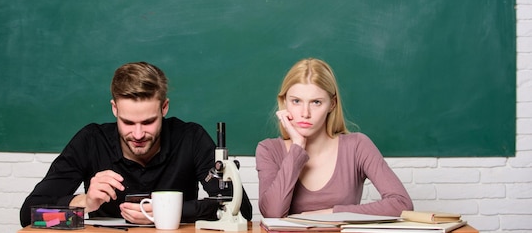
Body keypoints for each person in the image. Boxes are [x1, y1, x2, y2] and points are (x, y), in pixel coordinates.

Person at [20, 61, 252, 227]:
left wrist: (170, 212)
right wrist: (85, 203)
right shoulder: (91, 141)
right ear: (114, 109)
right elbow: (31, 216)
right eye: (128, 122)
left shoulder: (190, 138)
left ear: (164, 108)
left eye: (149, 121)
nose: (138, 134)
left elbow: (241, 210)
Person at [255, 58, 413, 218]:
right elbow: (272, 214)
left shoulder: (357, 146)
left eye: (316, 102)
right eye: (296, 101)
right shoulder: (268, 149)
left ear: (332, 104)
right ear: (284, 102)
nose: (305, 113)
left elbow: (401, 204)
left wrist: (331, 214)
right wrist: (297, 147)